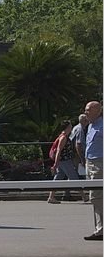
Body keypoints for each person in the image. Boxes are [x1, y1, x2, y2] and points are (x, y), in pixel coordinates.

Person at [82, 101, 102, 241]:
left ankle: (100, 230)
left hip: (100, 164)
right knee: (95, 198)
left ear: (98, 111)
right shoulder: (90, 126)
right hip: (90, 163)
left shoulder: (102, 126)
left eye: (88, 110)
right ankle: (99, 229)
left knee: (97, 197)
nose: (86, 112)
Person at [47, 120, 79, 204]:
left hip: (62, 161)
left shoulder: (63, 136)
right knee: (74, 178)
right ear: (67, 127)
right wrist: (55, 164)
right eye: (70, 126)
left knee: (58, 178)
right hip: (65, 161)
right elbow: (59, 151)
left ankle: (51, 197)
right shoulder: (63, 137)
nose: (71, 127)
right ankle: (84, 196)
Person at [71, 113, 90, 202]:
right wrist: (82, 158)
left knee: (70, 174)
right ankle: (85, 194)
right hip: (77, 155)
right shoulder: (80, 130)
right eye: (87, 120)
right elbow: (78, 145)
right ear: (84, 121)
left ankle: (66, 193)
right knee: (74, 175)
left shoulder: (76, 127)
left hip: (74, 154)